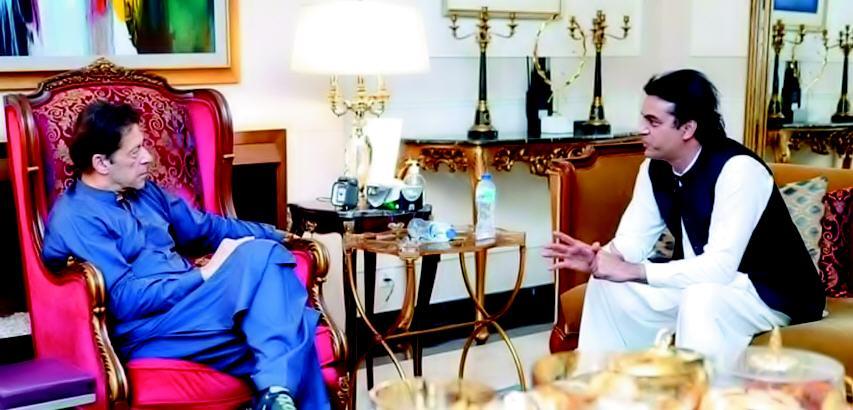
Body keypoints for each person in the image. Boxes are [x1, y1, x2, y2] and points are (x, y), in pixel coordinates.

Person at [41, 101, 329, 410]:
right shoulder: (77, 217)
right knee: (293, 323)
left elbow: (206, 228)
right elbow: (123, 300)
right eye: (134, 152)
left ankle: (275, 393)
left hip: (195, 307)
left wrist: (281, 234)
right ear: (101, 163)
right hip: (151, 328)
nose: (148, 157)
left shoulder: (144, 191)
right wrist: (204, 274)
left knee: (268, 257)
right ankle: (275, 389)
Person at [543, 69, 825, 368]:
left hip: (769, 295)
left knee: (700, 299)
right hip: (702, 284)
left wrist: (635, 270)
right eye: (643, 119)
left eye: (653, 122)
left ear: (687, 128)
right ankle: (602, 383)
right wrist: (601, 259)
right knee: (608, 284)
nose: (641, 129)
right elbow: (633, 241)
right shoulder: (654, 168)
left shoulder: (739, 170)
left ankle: (696, 390)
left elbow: (720, 269)